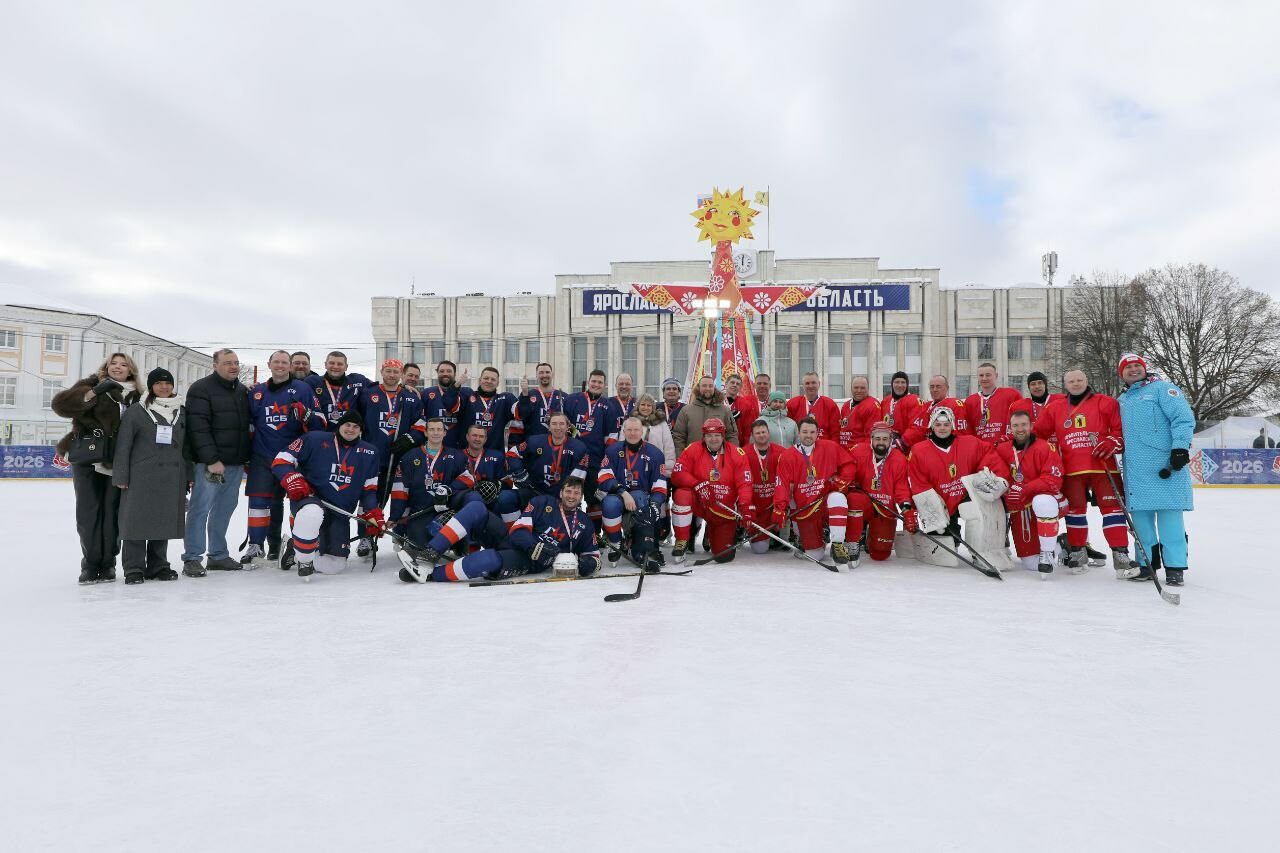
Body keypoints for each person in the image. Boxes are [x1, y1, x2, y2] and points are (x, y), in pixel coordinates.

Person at [1033, 369, 1135, 577]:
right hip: (1071, 469)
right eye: (1071, 381)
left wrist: (1112, 442)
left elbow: (1119, 432)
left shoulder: (1106, 402)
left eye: (1080, 380)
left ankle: (1120, 555)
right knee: (1075, 511)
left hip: (1103, 467)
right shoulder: (1055, 408)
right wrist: (1047, 455)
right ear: (1065, 384)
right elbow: (1037, 435)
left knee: (1112, 510)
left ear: (1086, 380)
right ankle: (1078, 552)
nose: (1076, 383)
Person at [52, 352, 142, 584]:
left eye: (124, 364)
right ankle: (90, 564)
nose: (118, 367)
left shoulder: (138, 395)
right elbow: (60, 406)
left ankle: (108, 563)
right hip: (88, 458)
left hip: (118, 461)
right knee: (88, 512)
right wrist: (94, 392)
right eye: (113, 363)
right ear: (106, 366)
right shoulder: (91, 384)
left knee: (112, 513)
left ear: (131, 370)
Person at [404, 477, 601, 583]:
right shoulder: (543, 502)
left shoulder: (584, 523)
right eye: (568, 491)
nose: (571, 496)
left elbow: (593, 555)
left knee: (488, 560)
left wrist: (590, 564)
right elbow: (519, 530)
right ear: (561, 492)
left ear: (581, 497)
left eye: (576, 493)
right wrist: (535, 546)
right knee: (476, 507)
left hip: (528, 562)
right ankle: (430, 553)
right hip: (513, 541)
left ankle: (429, 574)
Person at [272, 409, 383, 578]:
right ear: (339, 425)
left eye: (356, 427)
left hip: (339, 512)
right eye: (347, 425)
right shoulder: (314, 439)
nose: (351, 429)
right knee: (312, 513)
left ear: (361, 430)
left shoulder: (370, 453)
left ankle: (293, 549)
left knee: (334, 566)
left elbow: (369, 490)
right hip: (310, 500)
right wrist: (292, 478)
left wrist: (373, 513)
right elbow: (281, 460)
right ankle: (304, 560)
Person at [1117, 353, 1195, 587]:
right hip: (1136, 470)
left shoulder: (1162, 389)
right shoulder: (1121, 400)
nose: (1133, 370)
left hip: (1166, 467)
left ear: (1144, 368)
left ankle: (1175, 568)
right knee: (1141, 522)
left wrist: (1180, 447)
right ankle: (1146, 565)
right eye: (1128, 367)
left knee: (1170, 520)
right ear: (1121, 373)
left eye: (1137, 365)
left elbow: (1183, 418)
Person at [389, 419, 504, 576]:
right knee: (419, 545)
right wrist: (395, 517)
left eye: (439, 430)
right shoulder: (410, 457)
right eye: (432, 429)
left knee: (473, 497)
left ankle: (465, 540)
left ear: (445, 433)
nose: (436, 433)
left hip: (448, 505)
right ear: (425, 432)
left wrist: (449, 489)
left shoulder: (456, 455)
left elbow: (468, 478)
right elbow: (400, 489)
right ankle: (430, 543)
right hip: (422, 509)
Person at [242, 350, 325, 566]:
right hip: (262, 456)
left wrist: (307, 414)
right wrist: (246, 455)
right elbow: (247, 425)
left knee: (299, 501)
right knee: (259, 502)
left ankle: (299, 546)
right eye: (276, 362)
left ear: (289, 366)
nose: (280, 365)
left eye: (284, 362)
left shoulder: (302, 389)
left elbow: (321, 424)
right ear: (269, 364)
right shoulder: (257, 392)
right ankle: (257, 545)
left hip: (293, 458)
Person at [112, 368, 193, 583]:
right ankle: (134, 568)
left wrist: (188, 474)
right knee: (135, 522)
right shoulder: (137, 411)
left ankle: (159, 566)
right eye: (158, 383)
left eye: (168, 383)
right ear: (151, 387)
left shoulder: (181, 411)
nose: (164, 387)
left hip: (171, 475)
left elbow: (187, 446)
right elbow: (123, 445)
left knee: (163, 520)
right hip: (140, 476)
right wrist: (121, 475)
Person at [181, 348, 252, 575]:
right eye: (228, 362)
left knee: (224, 509)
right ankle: (192, 557)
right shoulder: (201, 389)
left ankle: (218, 555)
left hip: (235, 463)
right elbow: (198, 428)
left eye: (236, 363)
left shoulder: (242, 391)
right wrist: (211, 459)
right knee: (200, 508)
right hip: (210, 464)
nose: (233, 367)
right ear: (215, 365)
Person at [904, 407, 997, 568]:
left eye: (946, 424)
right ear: (932, 426)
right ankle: (946, 531)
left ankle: (980, 551)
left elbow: (989, 453)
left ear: (952, 425)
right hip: (939, 503)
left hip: (964, 497)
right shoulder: (919, 450)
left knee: (977, 512)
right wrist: (929, 510)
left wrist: (983, 475)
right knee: (946, 544)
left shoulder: (970, 442)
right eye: (938, 424)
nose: (942, 428)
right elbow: (918, 484)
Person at [981, 409, 1066, 577]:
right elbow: (992, 471)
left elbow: (1053, 479)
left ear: (1031, 426)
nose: (1020, 429)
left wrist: (1025, 488)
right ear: (1010, 428)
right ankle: (1062, 543)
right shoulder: (1002, 448)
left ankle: (1047, 552)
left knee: (1042, 501)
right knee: (1031, 563)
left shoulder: (1045, 446)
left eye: (1024, 425)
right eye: (1015, 425)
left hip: (1046, 500)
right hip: (1019, 505)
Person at [356, 358, 426, 556]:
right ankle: (365, 538)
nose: (392, 375)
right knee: (370, 499)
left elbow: (421, 425)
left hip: (399, 460)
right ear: (382, 372)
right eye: (388, 371)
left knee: (401, 500)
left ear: (401, 374)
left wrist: (409, 438)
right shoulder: (368, 394)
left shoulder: (410, 397)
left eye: (396, 372)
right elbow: (355, 420)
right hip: (373, 459)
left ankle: (401, 535)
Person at [669, 418, 753, 563]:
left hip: (723, 508)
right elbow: (677, 474)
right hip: (701, 502)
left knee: (724, 556)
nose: (713, 439)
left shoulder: (737, 453)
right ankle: (681, 540)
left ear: (723, 436)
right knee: (682, 495)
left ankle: (711, 530)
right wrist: (697, 484)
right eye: (709, 435)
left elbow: (745, 484)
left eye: (717, 435)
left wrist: (745, 507)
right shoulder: (693, 449)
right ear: (704, 436)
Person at [774, 417, 856, 561]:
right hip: (806, 508)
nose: (809, 435)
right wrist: (780, 508)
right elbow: (782, 484)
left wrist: (841, 480)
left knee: (838, 497)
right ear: (798, 433)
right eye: (805, 432)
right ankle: (815, 537)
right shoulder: (787, 456)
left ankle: (837, 545)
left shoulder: (830, 447)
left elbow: (849, 464)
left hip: (824, 501)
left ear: (817, 433)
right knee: (815, 556)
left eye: (812, 432)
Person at [598, 416, 668, 570]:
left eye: (636, 430)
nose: (632, 433)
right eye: (629, 430)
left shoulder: (655, 453)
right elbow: (604, 477)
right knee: (609, 503)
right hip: (618, 495)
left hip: (642, 497)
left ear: (642, 431)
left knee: (640, 499)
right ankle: (616, 542)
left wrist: (655, 504)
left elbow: (660, 485)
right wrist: (623, 493)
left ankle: (640, 548)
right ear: (623, 432)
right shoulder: (613, 450)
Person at [845, 421, 913, 565]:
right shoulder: (858, 451)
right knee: (854, 499)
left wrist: (906, 509)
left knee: (880, 554)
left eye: (885, 439)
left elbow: (901, 488)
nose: (881, 442)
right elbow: (848, 474)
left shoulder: (899, 459)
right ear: (871, 439)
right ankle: (852, 541)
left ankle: (871, 536)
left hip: (884, 507)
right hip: (864, 501)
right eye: (877, 438)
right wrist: (851, 484)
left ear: (890, 440)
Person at [505, 411, 590, 523]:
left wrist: (561, 498)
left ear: (568, 427)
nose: (558, 427)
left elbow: (576, 481)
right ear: (549, 427)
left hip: (561, 496)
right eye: (554, 424)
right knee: (506, 498)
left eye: (561, 424)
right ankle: (514, 529)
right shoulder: (534, 441)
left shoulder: (579, 448)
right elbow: (512, 453)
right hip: (534, 491)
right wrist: (519, 472)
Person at [563, 369, 611, 529]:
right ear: (588, 382)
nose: (596, 384)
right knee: (571, 496)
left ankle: (595, 534)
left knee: (594, 499)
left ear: (604, 385)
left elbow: (610, 437)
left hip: (595, 460)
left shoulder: (608, 406)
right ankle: (569, 530)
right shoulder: (572, 400)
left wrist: (606, 461)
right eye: (594, 381)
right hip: (573, 459)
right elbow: (565, 428)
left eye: (600, 382)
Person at [455, 422, 522, 528]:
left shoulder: (497, 456)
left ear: (486, 439)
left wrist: (497, 484)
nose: (477, 439)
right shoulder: (456, 456)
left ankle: (513, 531)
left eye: (481, 436)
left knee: (506, 498)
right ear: (467, 437)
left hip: (492, 501)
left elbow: (507, 482)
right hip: (466, 501)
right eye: (474, 435)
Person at [744, 419, 786, 554]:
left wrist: (780, 507)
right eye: (757, 433)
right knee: (760, 549)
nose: (761, 435)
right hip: (756, 507)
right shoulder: (744, 453)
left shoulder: (781, 452)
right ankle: (743, 530)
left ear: (768, 433)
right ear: (752, 435)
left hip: (774, 504)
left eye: (763, 432)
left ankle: (787, 534)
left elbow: (787, 481)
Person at [673, 374, 738, 456]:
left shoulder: (725, 410)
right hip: (693, 457)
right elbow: (679, 437)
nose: (707, 388)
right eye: (704, 386)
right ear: (698, 388)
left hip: (719, 458)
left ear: (714, 388)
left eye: (710, 386)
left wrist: (733, 456)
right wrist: (681, 457)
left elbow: (732, 435)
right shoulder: (686, 410)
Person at [901, 375, 970, 448]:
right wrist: (903, 441)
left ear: (947, 388)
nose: (934, 389)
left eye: (938, 386)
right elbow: (918, 428)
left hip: (945, 448)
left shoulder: (955, 405)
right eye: (932, 387)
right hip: (927, 447)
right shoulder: (926, 405)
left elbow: (960, 433)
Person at [305, 350, 370, 428]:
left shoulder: (357, 380)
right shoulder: (313, 382)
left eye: (340, 364)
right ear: (325, 365)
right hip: (322, 432)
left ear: (346, 367)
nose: (335, 367)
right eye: (332, 363)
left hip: (348, 433)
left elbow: (378, 388)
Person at [459, 366, 518, 451]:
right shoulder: (468, 395)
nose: (489, 381)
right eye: (486, 378)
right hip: (468, 452)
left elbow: (522, 413)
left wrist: (525, 396)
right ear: (480, 380)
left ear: (498, 383)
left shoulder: (505, 399)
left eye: (493, 379)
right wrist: (456, 385)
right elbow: (449, 404)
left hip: (494, 453)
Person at [964, 362, 1024, 446]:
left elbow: (1023, 418)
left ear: (996, 375)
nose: (984, 378)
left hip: (1006, 446)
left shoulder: (1011, 394)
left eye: (988, 375)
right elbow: (968, 427)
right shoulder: (970, 401)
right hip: (981, 449)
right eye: (981, 375)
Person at [419, 360, 473, 449]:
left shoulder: (466, 393)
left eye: (449, 371)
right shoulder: (426, 393)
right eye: (442, 371)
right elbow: (420, 419)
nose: (445, 374)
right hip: (433, 446)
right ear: (437, 373)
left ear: (455, 374)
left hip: (459, 447)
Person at [512, 362, 566, 441]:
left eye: (547, 372)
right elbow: (522, 417)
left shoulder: (563, 396)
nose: (544, 375)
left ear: (552, 374)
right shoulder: (527, 395)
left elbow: (569, 422)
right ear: (536, 375)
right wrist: (524, 394)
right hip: (534, 442)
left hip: (557, 443)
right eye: (541, 373)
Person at [786, 372, 839, 440]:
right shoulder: (792, 404)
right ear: (803, 385)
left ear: (819, 384)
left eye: (813, 383)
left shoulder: (830, 404)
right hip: (800, 445)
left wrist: (831, 446)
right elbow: (788, 430)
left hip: (823, 445)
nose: (810, 386)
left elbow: (836, 433)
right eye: (807, 383)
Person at [835, 375, 880, 451]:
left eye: (862, 388)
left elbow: (871, 436)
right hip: (843, 451)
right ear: (851, 388)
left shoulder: (872, 406)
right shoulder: (846, 405)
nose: (859, 391)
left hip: (858, 452)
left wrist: (860, 452)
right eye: (856, 387)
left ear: (868, 389)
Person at [634, 394, 675, 465]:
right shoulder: (631, 421)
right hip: (635, 464)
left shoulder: (661, 423)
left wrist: (668, 464)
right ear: (638, 406)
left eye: (649, 405)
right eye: (643, 404)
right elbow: (623, 443)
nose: (646, 407)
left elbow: (668, 446)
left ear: (653, 407)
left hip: (657, 464)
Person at [879, 371, 920, 442]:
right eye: (897, 382)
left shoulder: (914, 400)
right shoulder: (885, 401)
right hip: (886, 443)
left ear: (907, 385)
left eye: (903, 382)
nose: (900, 385)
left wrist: (901, 442)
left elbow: (916, 427)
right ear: (892, 384)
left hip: (906, 444)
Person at [723, 373, 760, 447]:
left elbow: (748, 430)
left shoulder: (746, 405)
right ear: (726, 384)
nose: (735, 385)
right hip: (717, 443)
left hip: (736, 444)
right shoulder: (716, 402)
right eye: (732, 382)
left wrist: (745, 448)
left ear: (740, 388)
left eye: (738, 384)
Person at [601, 373, 637, 445]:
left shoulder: (639, 404)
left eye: (627, 384)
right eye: (621, 384)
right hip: (611, 445)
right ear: (616, 385)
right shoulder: (606, 403)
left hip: (633, 445)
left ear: (632, 386)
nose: (624, 386)